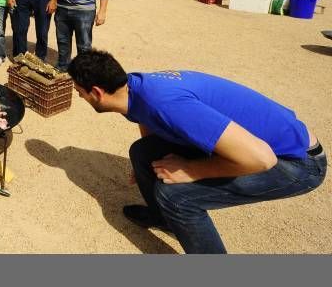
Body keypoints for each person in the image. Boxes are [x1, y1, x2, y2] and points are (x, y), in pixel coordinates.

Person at [67, 50, 325, 254]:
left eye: (80, 92)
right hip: (260, 147)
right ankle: (165, 218)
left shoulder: (166, 104)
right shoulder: (133, 88)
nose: (79, 97)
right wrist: (147, 163)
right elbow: (146, 118)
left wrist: (192, 170)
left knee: (175, 196)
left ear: (97, 93)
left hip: (298, 163)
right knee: (142, 152)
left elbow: (262, 158)